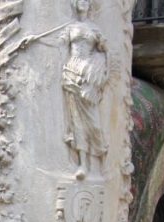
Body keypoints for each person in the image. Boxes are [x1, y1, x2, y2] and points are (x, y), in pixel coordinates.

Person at [61, 0, 108, 179]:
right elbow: (59, 45)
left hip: (88, 74)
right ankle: (83, 165)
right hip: (71, 71)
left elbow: (106, 52)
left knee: (94, 122)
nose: (83, 3)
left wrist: (103, 55)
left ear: (90, 6)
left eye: (86, 1)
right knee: (77, 123)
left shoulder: (95, 29)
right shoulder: (69, 27)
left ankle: (100, 156)